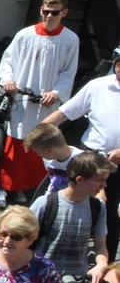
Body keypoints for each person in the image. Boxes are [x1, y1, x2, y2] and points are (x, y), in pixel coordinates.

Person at [0, 0, 80, 200]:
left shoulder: (70, 40)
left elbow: (69, 72)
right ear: (41, 10)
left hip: (46, 103)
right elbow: (8, 61)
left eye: (55, 12)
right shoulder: (25, 35)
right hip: (22, 98)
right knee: (15, 143)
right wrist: (8, 79)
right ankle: (7, 187)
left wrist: (56, 92)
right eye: (46, 11)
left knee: (44, 142)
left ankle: (35, 190)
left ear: (64, 13)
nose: (49, 16)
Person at [44, 46, 120, 260]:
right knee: (72, 205)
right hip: (91, 156)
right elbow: (64, 113)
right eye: (119, 64)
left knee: (110, 214)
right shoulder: (98, 86)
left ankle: (106, 263)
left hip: (118, 164)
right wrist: (39, 131)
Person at [29, 152, 111, 283]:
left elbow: (101, 246)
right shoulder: (46, 203)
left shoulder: (97, 207)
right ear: (80, 179)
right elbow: (22, 240)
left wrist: (101, 264)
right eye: (100, 180)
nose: (104, 185)